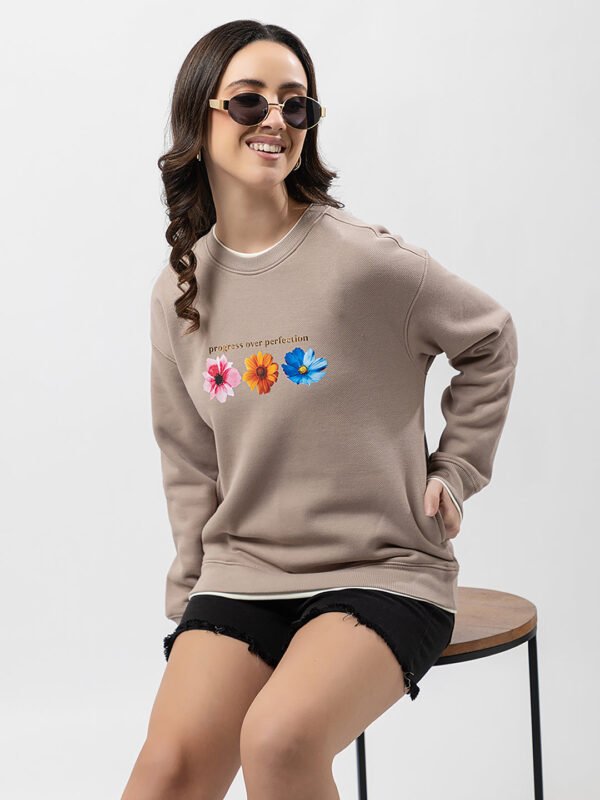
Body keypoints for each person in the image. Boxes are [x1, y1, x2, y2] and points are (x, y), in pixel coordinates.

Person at [121, 18, 518, 800]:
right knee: (165, 773)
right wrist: (191, 609)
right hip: (243, 573)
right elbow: (188, 462)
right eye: (250, 101)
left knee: (279, 740)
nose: (275, 119)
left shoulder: (361, 260)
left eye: (295, 104)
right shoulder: (179, 292)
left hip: (383, 569)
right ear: (200, 118)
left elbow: (490, 337)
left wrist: (457, 468)